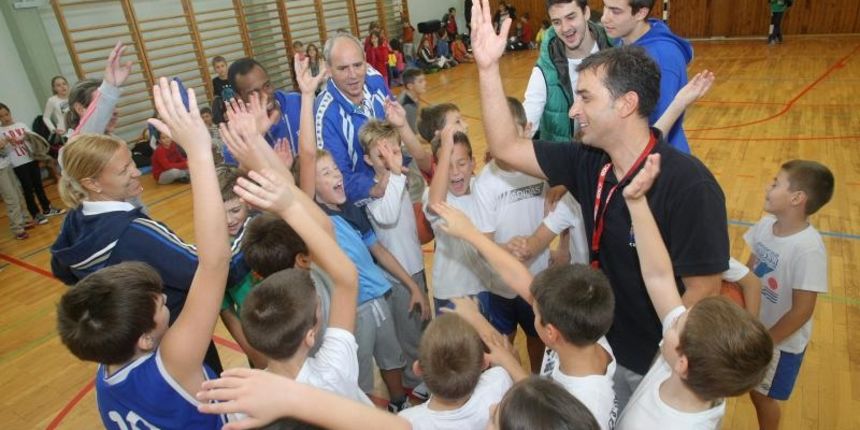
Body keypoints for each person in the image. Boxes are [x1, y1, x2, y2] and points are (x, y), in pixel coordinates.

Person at [470, 0, 728, 409]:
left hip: (653, 363)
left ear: (625, 104)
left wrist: (666, 366)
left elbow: (703, 292)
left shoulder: (690, 185)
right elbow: (504, 147)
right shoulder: (587, 160)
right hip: (599, 347)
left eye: (586, 98)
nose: (574, 110)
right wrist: (487, 68)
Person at [56, 78, 233, 429]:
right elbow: (207, 266)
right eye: (124, 170)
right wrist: (199, 152)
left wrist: (109, 90)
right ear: (92, 182)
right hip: (184, 333)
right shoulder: (133, 231)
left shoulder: (74, 225)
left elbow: (61, 268)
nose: (136, 171)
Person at [616, 153, 773, 429]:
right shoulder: (696, 365)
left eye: (677, 323)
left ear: (682, 362)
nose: (674, 316)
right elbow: (659, 275)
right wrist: (637, 202)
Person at [432, 201, 618, 429]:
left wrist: (509, 361)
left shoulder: (588, 405)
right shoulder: (583, 327)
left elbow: (543, 409)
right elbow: (519, 276)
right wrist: (470, 233)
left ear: (551, 332)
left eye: (535, 312)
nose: (532, 303)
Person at [229, 155, 371, 406]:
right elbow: (328, 236)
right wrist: (288, 207)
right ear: (304, 259)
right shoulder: (332, 373)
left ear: (257, 275)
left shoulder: (254, 395)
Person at [744, 160, 834, 430]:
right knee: (753, 389)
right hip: (757, 331)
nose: (767, 187)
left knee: (763, 398)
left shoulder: (808, 249)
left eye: (775, 183)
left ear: (797, 198)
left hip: (780, 345)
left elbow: (802, 311)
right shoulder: (764, 225)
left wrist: (766, 342)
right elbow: (749, 271)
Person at [358, 118, 432, 395]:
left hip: (414, 264)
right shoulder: (372, 191)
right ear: (367, 159)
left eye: (394, 152)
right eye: (381, 155)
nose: (390, 160)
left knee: (421, 325)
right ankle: (415, 384)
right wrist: (397, 174)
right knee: (411, 332)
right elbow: (387, 216)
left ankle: (423, 374)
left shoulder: (398, 180)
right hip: (399, 274)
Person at [398, 310, 526, 429]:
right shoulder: (499, 381)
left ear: (418, 369)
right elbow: (513, 364)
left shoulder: (407, 422)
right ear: (484, 363)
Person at [600, 0, 693, 153]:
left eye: (615, 11)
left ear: (640, 13)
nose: (604, 18)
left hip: (660, 159)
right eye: (605, 7)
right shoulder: (621, 42)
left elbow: (661, 121)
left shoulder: (663, 57)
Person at [314, 33, 395, 205]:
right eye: (342, 68)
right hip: (363, 199)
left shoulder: (376, 81)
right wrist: (374, 189)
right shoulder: (326, 113)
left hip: (397, 176)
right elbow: (336, 176)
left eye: (358, 65)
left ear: (365, 60)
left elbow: (397, 127)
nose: (353, 75)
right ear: (328, 69)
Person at [423, 124, 492, 314]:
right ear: (439, 168)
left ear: (473, 163)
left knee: (488, 342)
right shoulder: (432, 195)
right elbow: (436, 204)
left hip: (485, 286)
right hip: (451, 292)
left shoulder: (483, 189)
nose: (455, 172)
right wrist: (446, 147)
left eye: (461, 163)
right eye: (448, 165)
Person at [523, 0, 612, 141]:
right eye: (557, 22)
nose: (565, 28)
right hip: (563, 158)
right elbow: (528, 120)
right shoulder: (545, 70)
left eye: (571, 17)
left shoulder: (613, 52)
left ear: (586, 13)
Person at [225, 58, 301, 163]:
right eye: (254, 93)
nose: (265, 95)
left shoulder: (297, 102)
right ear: (239, 97)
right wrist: (255, 138)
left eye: (267, 86)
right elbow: (240, 176)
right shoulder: (237, 138)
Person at [0, 103, 64, 224]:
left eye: (6, 114)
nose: (5, 118)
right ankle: (35, 214)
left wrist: (25, 137)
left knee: (38, 185)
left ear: (10, 113)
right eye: (1, 116)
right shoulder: (0, 131)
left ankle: (47, 208)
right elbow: (2, 150)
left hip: (31, 159)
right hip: (17, 164)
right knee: (28, 189)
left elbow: (34, 138)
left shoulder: (21, 125)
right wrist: (7, 141)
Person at [43, 76, 70, 140]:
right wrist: (54, 129)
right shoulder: (52, 100)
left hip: (80, 128)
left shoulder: (74, 95)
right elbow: (46, 117)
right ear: (54, 88)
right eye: (58, 85)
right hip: (65, 133)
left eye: (64, 84)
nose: (63, 87)